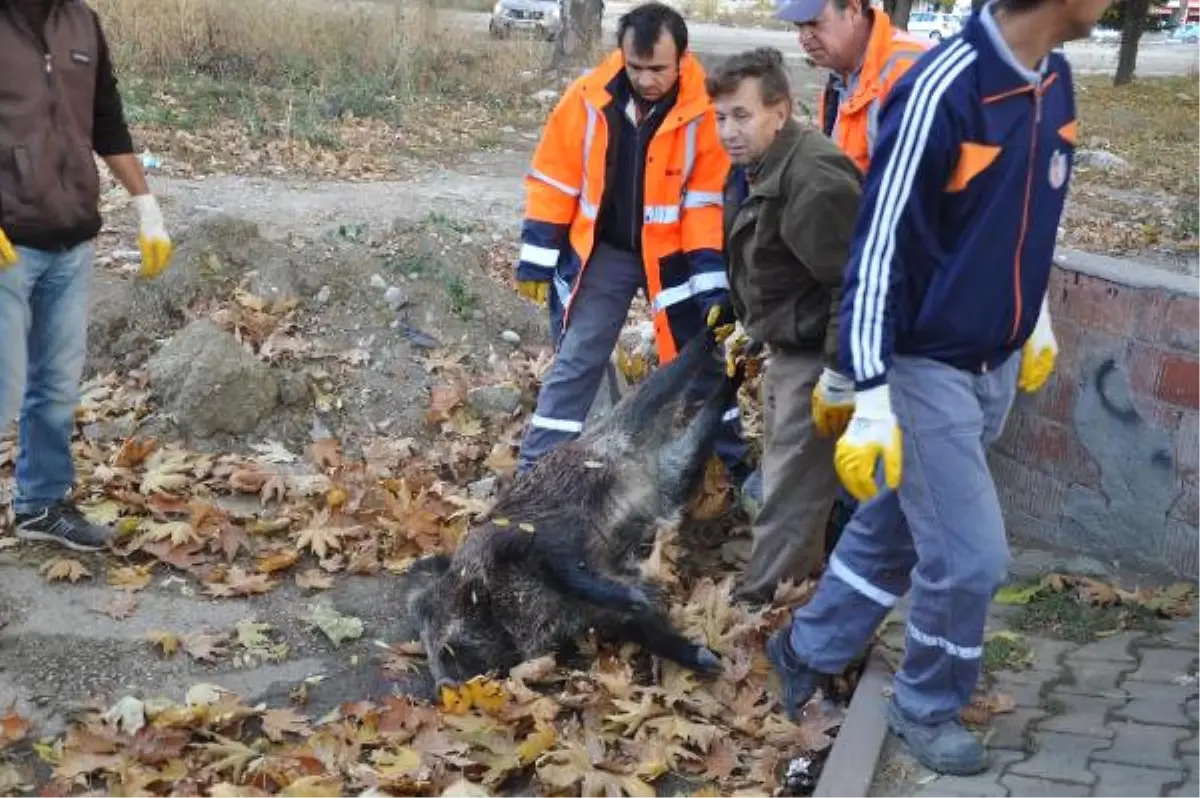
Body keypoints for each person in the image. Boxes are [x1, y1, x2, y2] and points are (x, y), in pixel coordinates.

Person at [766, 0, 1107, 776]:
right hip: (924, 365)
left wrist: (1037, 320)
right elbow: (877, 252)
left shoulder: (1053, 80)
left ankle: (806, 647)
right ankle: (926, 703)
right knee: (971, 558)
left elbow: (1023, 216)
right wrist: (868, 393)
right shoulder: (942, 90)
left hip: (994, 362)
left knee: (901, 525)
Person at [511, 1, 754, 493]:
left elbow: (706, 208)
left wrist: (713, 290)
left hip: (675, 258)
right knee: (579, 357)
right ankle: (533, 474)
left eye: (657, 69)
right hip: (611, 253)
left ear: (682, 58)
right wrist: (537, 257)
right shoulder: (585, 99)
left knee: (698, 361)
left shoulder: (706, 113)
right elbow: (554, 180)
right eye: (636, 67)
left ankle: (733, 467)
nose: (645, 80)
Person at [1, 0, 174, 551]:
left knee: (54, 388)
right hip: (6, 245)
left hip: (71, 243)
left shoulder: (82, 23)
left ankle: (40, 505)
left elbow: (106, 122)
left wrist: (147, 205)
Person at [702, 48, 863, 605]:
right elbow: (773, 263)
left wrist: (840, 374)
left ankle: (762, 607)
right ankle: (802, 589)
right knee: (789, 477)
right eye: (720, 117)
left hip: (824, 352)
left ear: (781, 109)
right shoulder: (756, 166)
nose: (727, 131)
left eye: (741, 116)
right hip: (791, 343)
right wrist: (750, 322)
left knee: (791, 489)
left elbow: (856, 283)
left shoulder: (813, 180)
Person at [771, 0, 931, 550]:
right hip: (869, 285)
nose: (805, 39)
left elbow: (914, 209)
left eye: (815, 23)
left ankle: (874, 551)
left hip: (908, 290)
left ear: (858, 9)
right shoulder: (842, 82)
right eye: (798, 28)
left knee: (891, 430)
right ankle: (856, 533)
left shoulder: (907, 73)